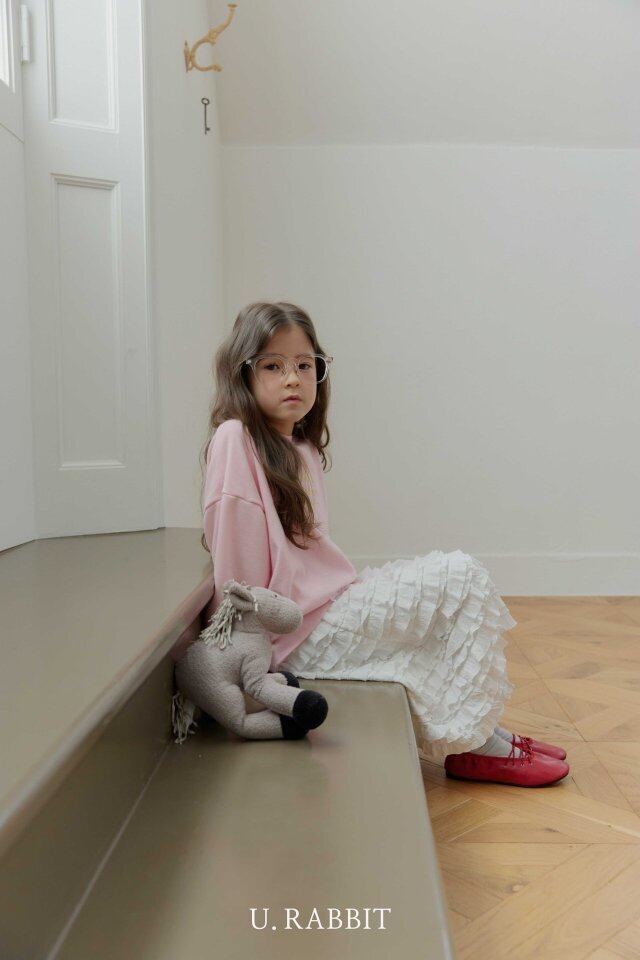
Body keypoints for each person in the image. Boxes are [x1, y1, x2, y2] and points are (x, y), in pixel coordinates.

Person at [173, 300, 569, 787]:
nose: (293, 379)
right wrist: (252, 657)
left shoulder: (300, 448)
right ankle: (478, 745)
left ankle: (480, 734)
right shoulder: (236, 438)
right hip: (293, 635)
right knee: (461, 576)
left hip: (330, 608)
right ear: (243, 373)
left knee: (440, 613)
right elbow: (237, 569)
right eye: (273, 366)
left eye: (304, 365)